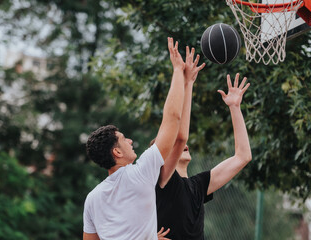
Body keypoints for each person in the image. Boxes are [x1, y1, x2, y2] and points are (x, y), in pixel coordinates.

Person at [83, 37, 188, 240]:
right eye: (124, 139)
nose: (130, 141)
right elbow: (172, 119)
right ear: (117, 152)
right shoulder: (141, 172)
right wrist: (177, 71)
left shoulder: (92, 198)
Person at [155, 68, 252, 240]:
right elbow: (179, 136)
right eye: (173, 145)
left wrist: (235, 107)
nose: (183, 144)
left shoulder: (198, 186)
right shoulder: (163, 181)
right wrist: (188, 83)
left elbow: (243, 157)